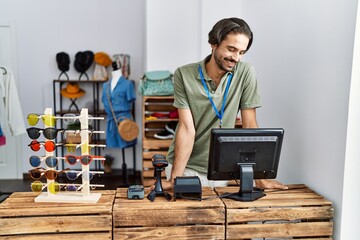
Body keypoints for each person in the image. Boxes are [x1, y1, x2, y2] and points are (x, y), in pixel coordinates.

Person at [161, 17, 287, 191]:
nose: (236, 58)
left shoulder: (245, 72)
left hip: (223, 167)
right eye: (231, 49)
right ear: (214, 43)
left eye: (241, 52)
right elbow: (186, 128)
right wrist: (175, 178)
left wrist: (259, 177)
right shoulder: (184, 74)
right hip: (187, 167)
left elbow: (249, 125)